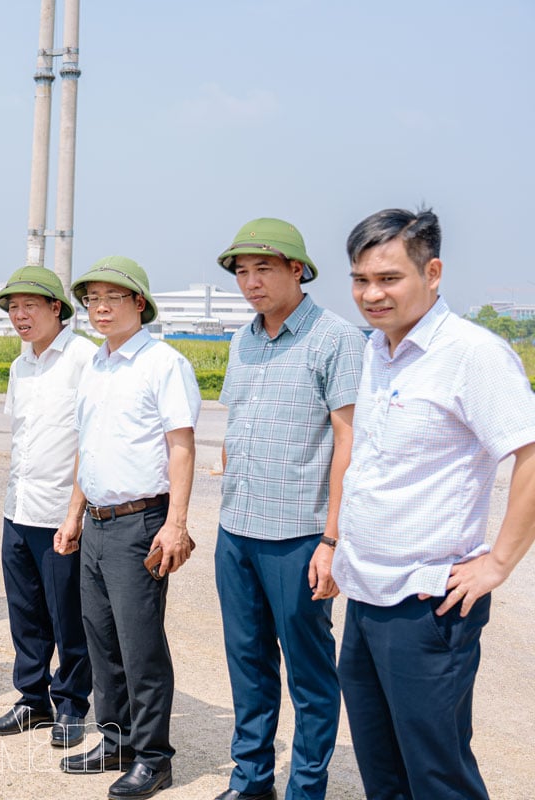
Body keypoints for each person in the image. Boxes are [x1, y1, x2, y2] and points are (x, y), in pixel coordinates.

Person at [333, 207, 535, 800]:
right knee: (382, 767)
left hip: (427, 603)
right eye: (360, 279)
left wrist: (498, 562)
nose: (372, 294)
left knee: (437, 772)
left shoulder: (472, 354)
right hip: (367, 596)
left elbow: (530, 454)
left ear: (433, 272)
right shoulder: (375, 350)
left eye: (389, 278)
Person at [212, 219, 363, 800]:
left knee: (308, 671)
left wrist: (331, 540)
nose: (251, 282)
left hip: (299, 535)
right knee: (247, 664)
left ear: (297, 269)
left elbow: (347, 440)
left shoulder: (335, 339)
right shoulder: (242, 339)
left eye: (264, 268)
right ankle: (250, 779)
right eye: (242, 272)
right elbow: (235, 423)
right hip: (237, 530)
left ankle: (306, 787)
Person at [54, 256, 201, 799]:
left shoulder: (163, 363)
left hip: (142, 522)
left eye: (113, 297)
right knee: (101, 639)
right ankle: (113, 740)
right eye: (92, 299)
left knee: (140, 644)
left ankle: (154, 756)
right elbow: (87, 449)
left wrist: (177, 525)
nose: (101, 307)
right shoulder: (95, 363)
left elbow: (181, 447)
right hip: (96, 521)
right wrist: (73, 514)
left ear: (139, 303)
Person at [0, 265, 95, 749]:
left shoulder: (86, 359)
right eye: (12, 307)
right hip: (18, 508)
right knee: (25, 614)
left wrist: (74, 514)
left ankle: (70, 705)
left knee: (68, 617)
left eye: (30, 305)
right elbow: (24, 438)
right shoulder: (19, 365)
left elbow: (90, 443)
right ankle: (33, 700)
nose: (19, 315)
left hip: (59, 513)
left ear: (57, 309)